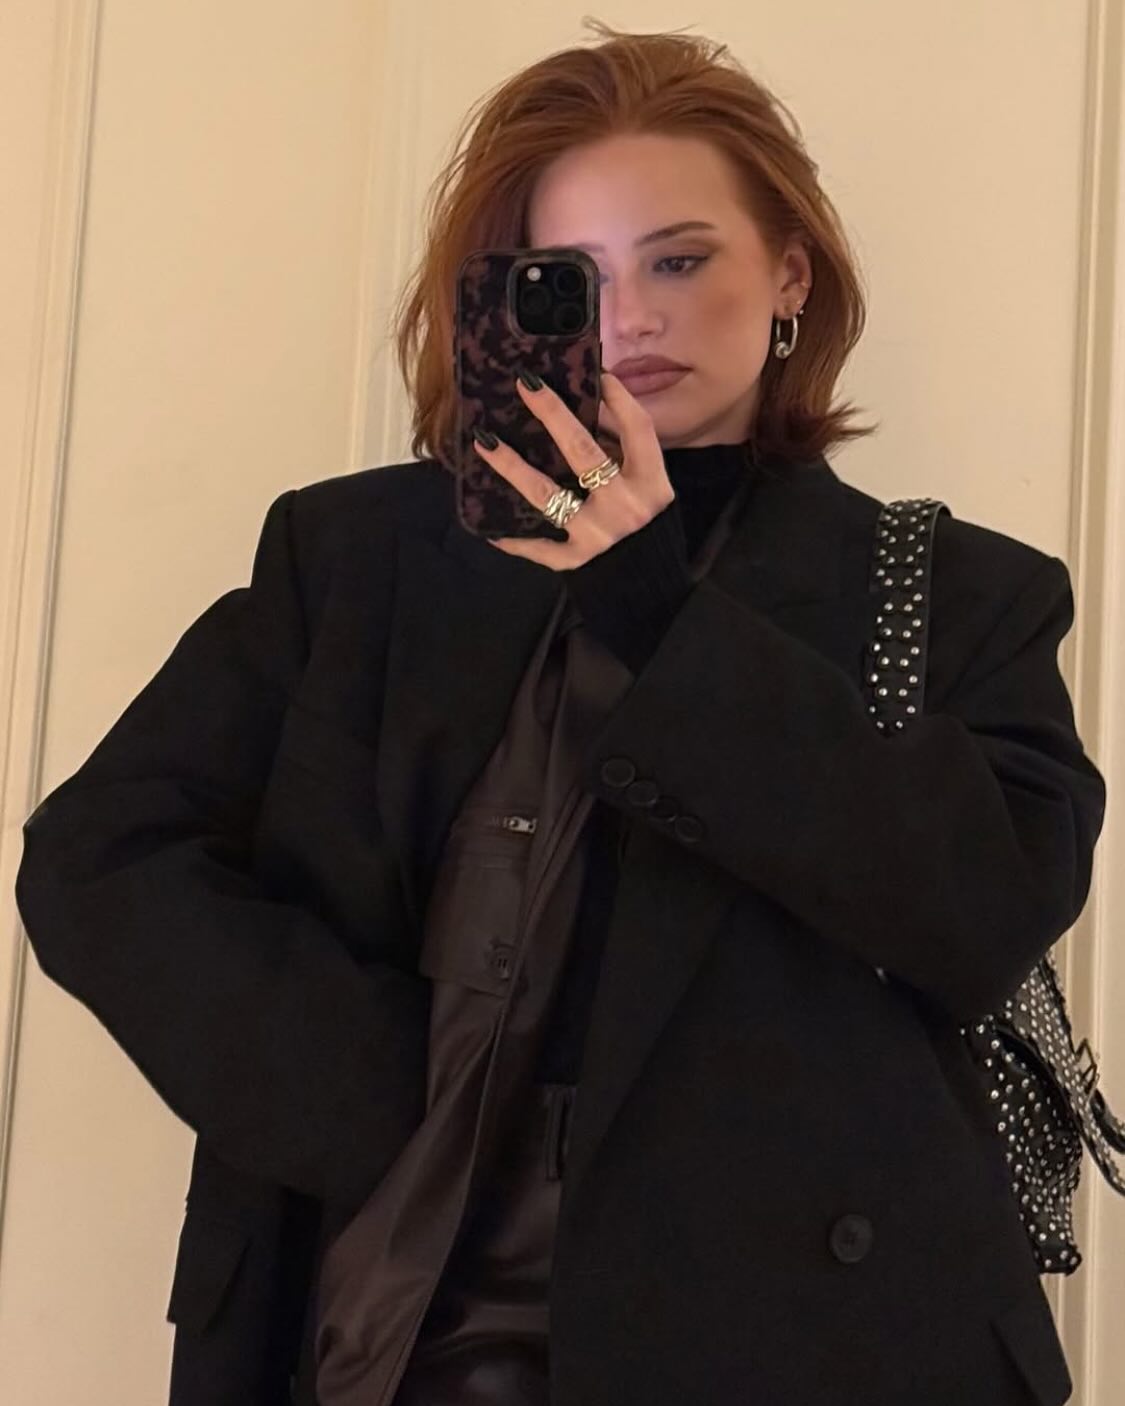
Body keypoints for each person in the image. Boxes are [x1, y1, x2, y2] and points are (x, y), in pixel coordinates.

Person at [15, 20, 1105, 1406]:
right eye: (568, 278)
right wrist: (382, 1095)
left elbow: (986, 907)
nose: (629, 318)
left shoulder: (957, 591)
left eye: (679, 259)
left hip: (804, 1340)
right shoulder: (359, 560)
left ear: (789, 273)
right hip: (401, 1319)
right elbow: (101, 855)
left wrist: (658, 610)